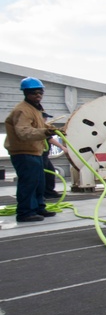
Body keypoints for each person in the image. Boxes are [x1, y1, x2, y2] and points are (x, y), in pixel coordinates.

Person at [4, 78, 58, 223]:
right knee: (29, 182)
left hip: (35, 152)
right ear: (26, 93)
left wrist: (52, 130)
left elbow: (39, 126)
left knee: (39, 182)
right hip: (23, 152)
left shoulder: (35, 109)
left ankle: (39, 207)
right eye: (33, 92)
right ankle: (25, 212)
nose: (37, 95)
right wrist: (46, 133)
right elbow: (24, 132)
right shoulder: (23, 110)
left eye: (40, 92)